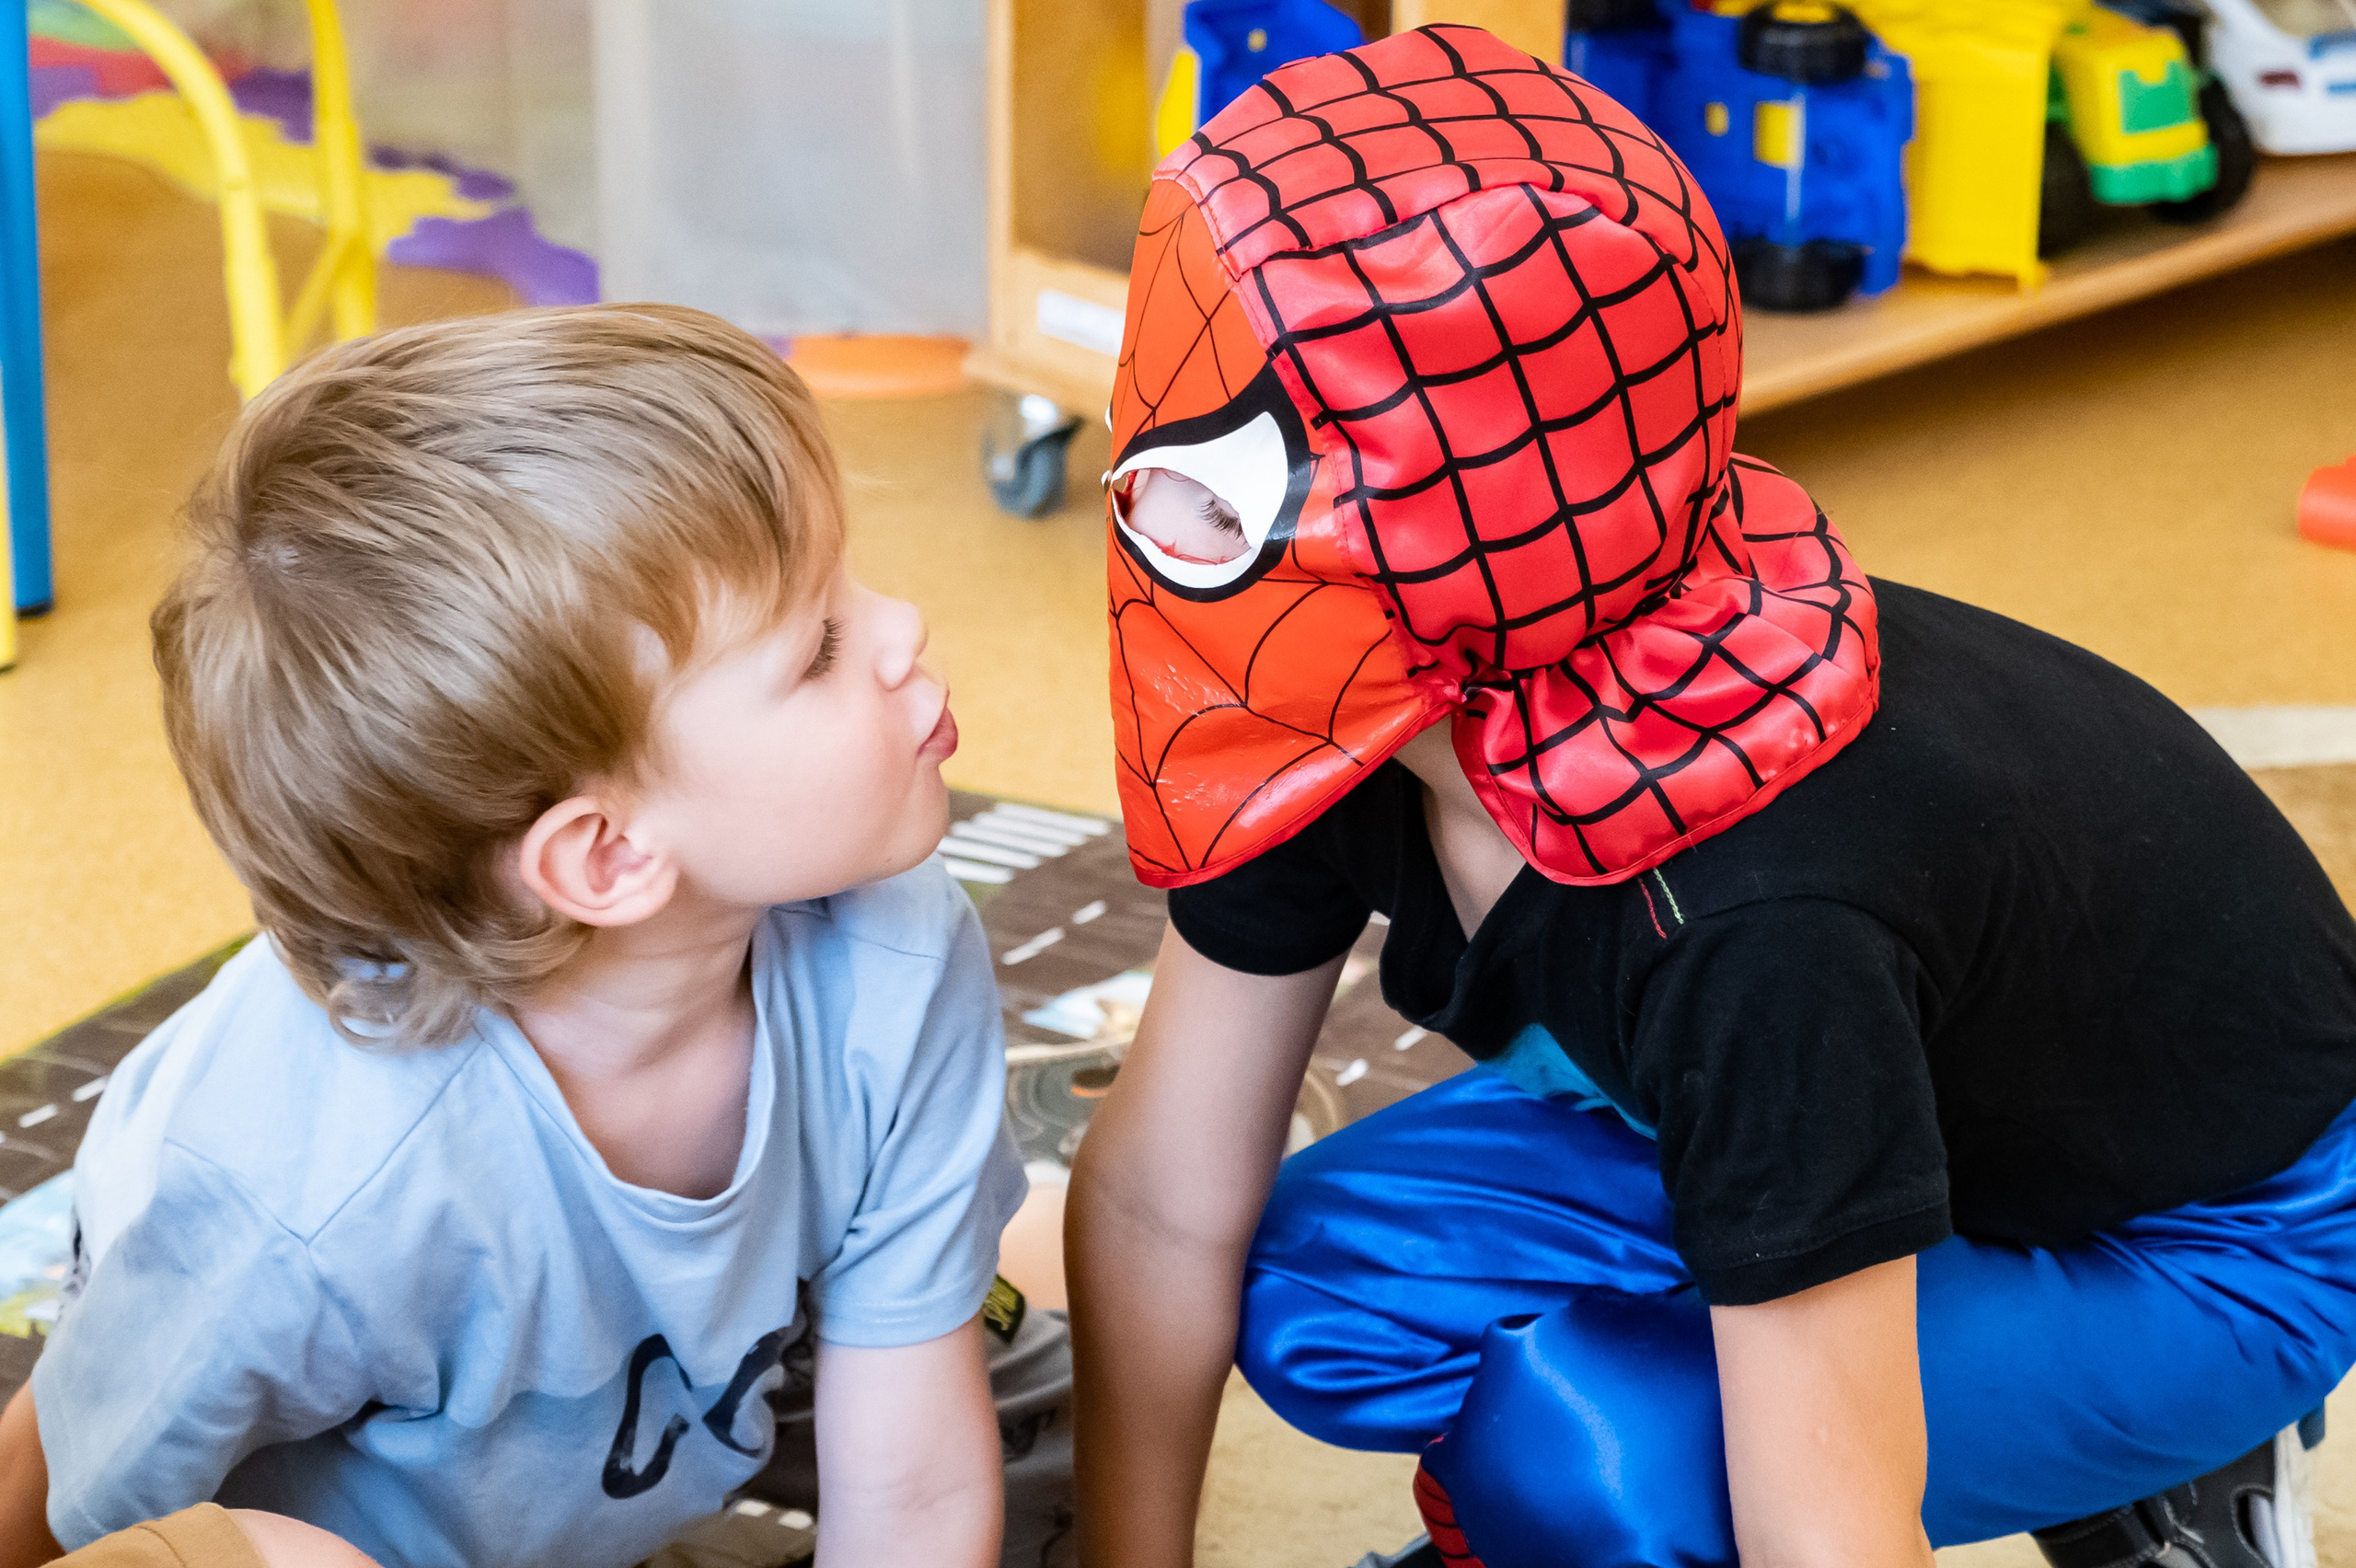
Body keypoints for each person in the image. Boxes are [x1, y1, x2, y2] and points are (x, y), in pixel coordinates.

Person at [1068, 25, 2356, 1568]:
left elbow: (1833, 1535)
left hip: (2218, 1234)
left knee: (1592, 1448)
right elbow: (1159, 1204)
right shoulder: (1356, 683)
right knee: (1326, 1292)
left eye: (1217, 490)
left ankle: (2152, 1458)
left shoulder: (1750, 906)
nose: (1139, 508)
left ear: (1448, 531)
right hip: (1920, 1108)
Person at [0, 306, 1071, 1568]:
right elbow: (61, 1493)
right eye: (820, 645)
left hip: (702, 1372)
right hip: (371, 1514)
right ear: (608, 855)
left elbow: (919, 1498)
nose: (902, 630)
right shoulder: (294, 1191)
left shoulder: (891, 949)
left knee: (1070, 1415)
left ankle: (952, 1235)